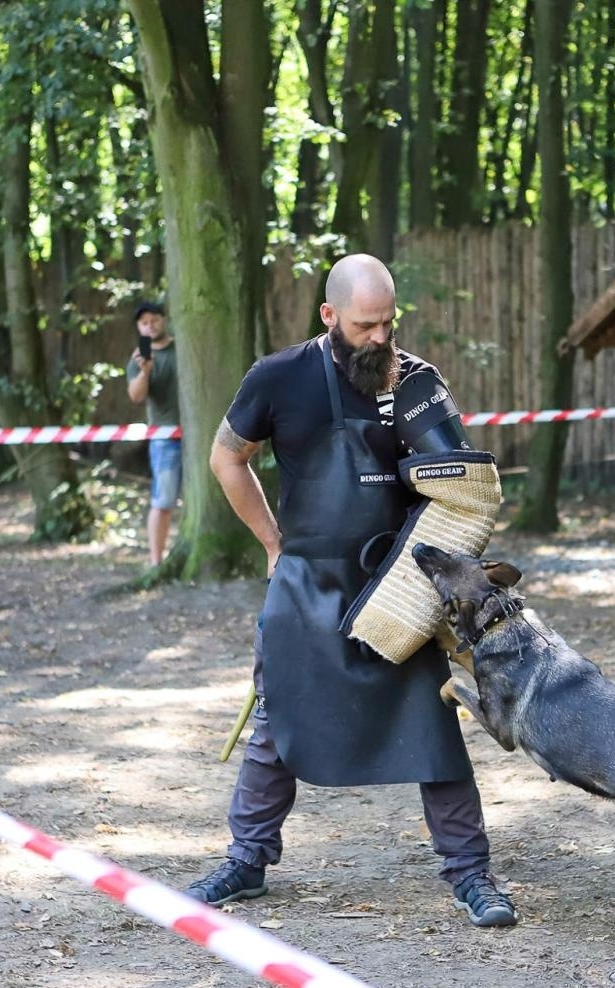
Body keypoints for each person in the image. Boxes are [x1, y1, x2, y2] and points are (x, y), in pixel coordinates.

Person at [189, 254, 517, 928]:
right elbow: (227, 456)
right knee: (278, 722)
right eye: (365, 325)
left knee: (433, 728)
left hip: (397, 587)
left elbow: (462, 488)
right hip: (307, 583)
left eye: (388, 324)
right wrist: (274, 545)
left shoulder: (418, 383)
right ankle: (247, 860)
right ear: (330, 316)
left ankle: (471, 875)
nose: (379, 338)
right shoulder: (277, 378)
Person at [126, 300, 180, 567]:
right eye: (144, 323)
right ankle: (156, 561)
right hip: (164, 438)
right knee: (164, 500)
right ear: (139, 327)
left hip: (198, 436)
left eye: (154, 320)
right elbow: (136, 396)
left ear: (163, 319)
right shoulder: (138, 358)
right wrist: (145, 371)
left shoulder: (183, 349)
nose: (150, 326)